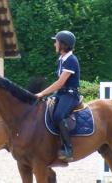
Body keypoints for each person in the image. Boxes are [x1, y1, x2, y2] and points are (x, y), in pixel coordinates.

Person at [35, 30, 80, 161]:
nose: (54, 44)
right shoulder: (62, 59)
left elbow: (60, 83)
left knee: (59, 115)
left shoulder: (71, 60)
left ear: (63, 45)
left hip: (70, 95)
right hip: (61, 94)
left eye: (56, 42)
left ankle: (68, 149)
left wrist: (42, 93)